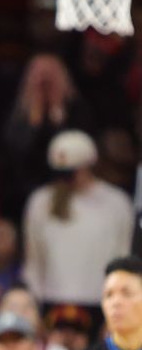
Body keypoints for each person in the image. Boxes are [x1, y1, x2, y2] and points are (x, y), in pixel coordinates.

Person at [22, 130, 134, 324]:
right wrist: (34, 303)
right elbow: (34, 259)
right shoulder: (41, 201)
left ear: (88, 165)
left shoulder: (116, 202)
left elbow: (122, 257)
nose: (64, 180)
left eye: (71, 173)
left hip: (98, 301)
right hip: (51, 299)